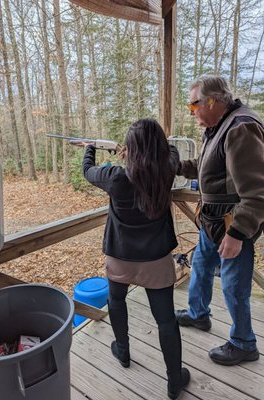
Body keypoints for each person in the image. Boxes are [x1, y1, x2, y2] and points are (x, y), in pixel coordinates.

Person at [81, 118, 190, 399]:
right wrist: (153, 147)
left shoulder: (116, 176)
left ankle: (123, 351)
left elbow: (87, 171)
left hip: (121, 257)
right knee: (166, 320)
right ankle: (174, 379)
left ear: (129, 148)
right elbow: (172, 154)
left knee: (116, 302)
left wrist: (90, 147)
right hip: (156, 260)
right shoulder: (166, 170)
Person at [176, 75, 264, 366]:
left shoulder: (242, 128)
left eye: (194, 105)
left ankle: (244, 343)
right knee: (200, 269)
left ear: (212, 101)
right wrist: (172, 166)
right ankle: (198, 314)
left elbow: (257, 192)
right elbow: (204, 168)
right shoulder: (217, 128)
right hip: (211, 223)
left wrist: (237, 234)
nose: (192, 112)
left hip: (231, 224)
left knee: (233, 286)